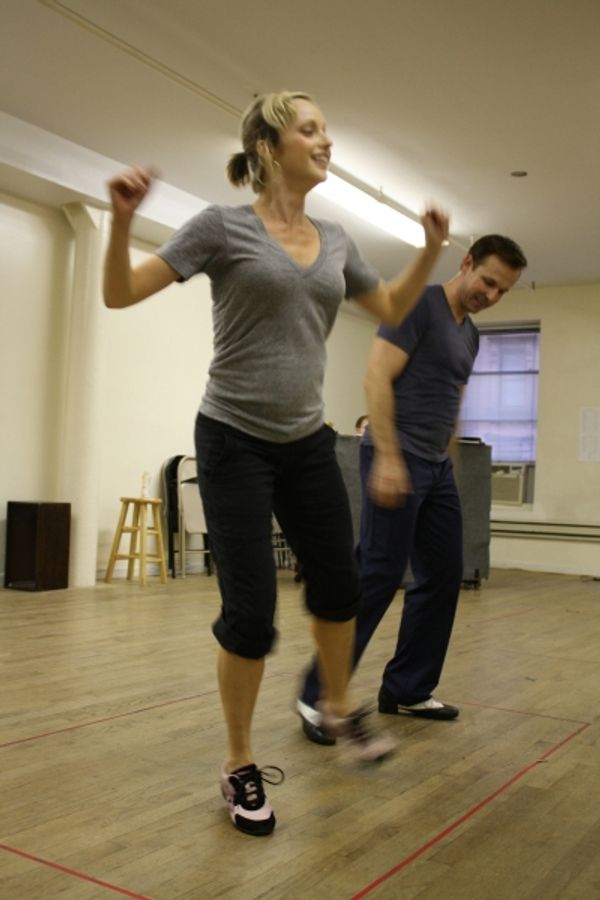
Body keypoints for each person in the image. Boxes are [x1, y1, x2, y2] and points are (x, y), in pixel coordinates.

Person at [103, 90, 449, 836]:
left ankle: (334, 704)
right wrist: (123, 221)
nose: (327, 140)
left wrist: (426, 254)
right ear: (267, 146)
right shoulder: (220, 228)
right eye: (311, 129)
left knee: (339, 585)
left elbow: (389, 308)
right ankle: (236, 762)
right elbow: (121, 292)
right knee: (251, 614)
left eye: (328, 129)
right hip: (232, 437)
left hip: (304, 440)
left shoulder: (336, 237)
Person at [297, 235, 527, 744]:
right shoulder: (418, 305)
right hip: (393, 454)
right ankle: (317, 693)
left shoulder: (471, 334)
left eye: (503, 291)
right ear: (466, 264)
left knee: (443, 574)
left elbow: (452, 394)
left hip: (435, 467)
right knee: (376, 575)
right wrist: (390, 457)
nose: (491, 294)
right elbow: (377, 377)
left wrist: (447, 455)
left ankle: (407, 687)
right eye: (488, 281)